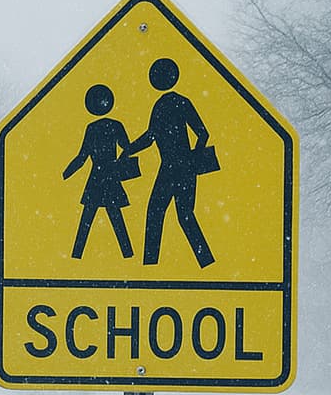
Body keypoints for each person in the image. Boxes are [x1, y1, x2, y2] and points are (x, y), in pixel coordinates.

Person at [124, 57, 218, 268]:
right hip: (173, 168)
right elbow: (152, 136)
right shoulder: (169, 104)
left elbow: (202, 133)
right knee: (171, 214)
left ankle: (201, 263)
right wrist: (129, 149)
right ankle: (154, 266)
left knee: (172, 214)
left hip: (177, 167)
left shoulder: (172, 104)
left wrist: (192, 160)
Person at [63, 83, 137, 259]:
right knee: (112, 217)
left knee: (90, 218)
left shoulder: (93, 127)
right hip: (108, 176)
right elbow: (128, 148)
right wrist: (119, 163)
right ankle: (127, 255)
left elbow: (82, 157)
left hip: (97, 177)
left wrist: (66, 173)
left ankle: (77, 255)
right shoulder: (115, 125)